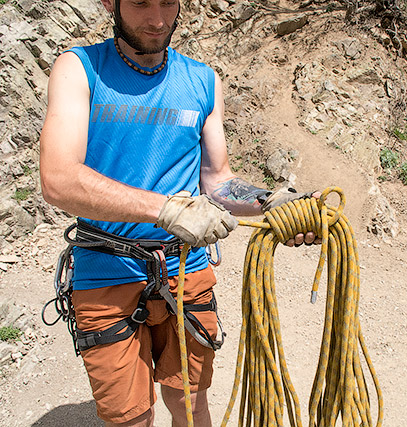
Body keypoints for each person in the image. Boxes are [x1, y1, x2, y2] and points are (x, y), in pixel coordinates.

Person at [39, 0, 317, 425]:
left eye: (169, 3)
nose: (156, 20)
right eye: (140, 3)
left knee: (190, 402)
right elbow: (59, 179)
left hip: (185, 270)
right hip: (106, 273)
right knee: (131, 419)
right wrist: (166, 209)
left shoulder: (202, 80)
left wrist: (272, 202)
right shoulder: (78, 69)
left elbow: (218, 181)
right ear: (109, 2)